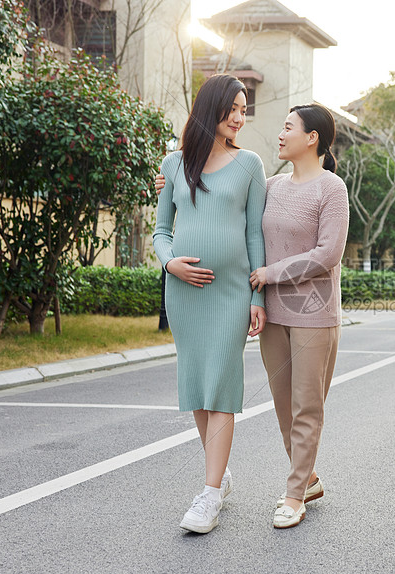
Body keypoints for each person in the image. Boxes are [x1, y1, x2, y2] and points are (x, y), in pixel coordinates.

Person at [152, 74, 266, 534]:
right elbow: (161, 230)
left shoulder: (250, 165)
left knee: (220, 383)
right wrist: (169, 264)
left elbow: (255, 233)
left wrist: (258, 293)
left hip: (231, 293)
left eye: (244, 109)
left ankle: (210, 494)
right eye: (233, 108)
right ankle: (219, 476)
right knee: (199, 385)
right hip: (184, 292)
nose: (240, 117)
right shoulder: (174, 164)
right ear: (211, 108)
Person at [249, 103, 349, 529]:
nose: (280, 133)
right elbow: (225, 197)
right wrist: (170, 181)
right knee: (284, 407)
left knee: (307, 407)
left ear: (312, 138)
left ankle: (293, 496)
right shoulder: (270, 185)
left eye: (288, 127)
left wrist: (271, 273)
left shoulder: (332, 189)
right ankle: (307, 478)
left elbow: (328, 253)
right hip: (273, 315)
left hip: (314, 314)